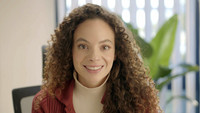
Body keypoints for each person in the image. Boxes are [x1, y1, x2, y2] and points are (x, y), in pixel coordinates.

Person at [32, 3, 162, 113]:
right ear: (69, 50)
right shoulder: (45, 103)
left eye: (105, 47)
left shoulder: (140, 101)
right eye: (83, 46)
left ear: (116, 52)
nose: (94, 57)